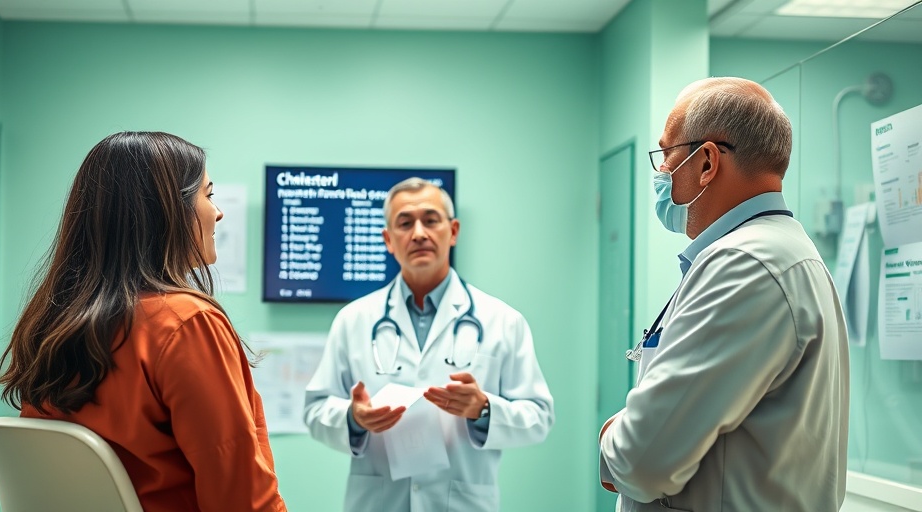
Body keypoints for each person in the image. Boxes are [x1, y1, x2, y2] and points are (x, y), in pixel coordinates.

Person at [0, 131, 287, 512]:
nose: (217, 212)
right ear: (168, 209)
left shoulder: (52, 326)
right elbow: (243, 501)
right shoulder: (187, 323)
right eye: (209, 195)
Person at [598, 77, 849, 511]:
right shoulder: (781, 253)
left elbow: (641, 462)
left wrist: (611, 438)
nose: (660, 175)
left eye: (665, 156)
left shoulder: (745, 264)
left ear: (707, 162)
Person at [304, 177, 554, 511]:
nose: (419, 233)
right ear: (388, 240)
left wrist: (483, 408)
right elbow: (315, 409)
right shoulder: (353, 320)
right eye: (405, 223)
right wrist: (354, 417)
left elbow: (538, 417)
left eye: (431, 220)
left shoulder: (503, 321)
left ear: (453, 231)